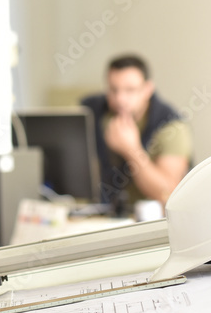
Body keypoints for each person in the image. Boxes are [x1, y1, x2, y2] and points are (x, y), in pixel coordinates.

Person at [81, 54, 191, 211]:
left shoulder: (172, 127)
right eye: (113, 90)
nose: (120, 99)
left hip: (149, 223)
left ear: (148, 89)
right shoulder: (93, 112)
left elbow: (168, 194)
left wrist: (132, 150)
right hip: (104, 216)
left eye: (130, 90)